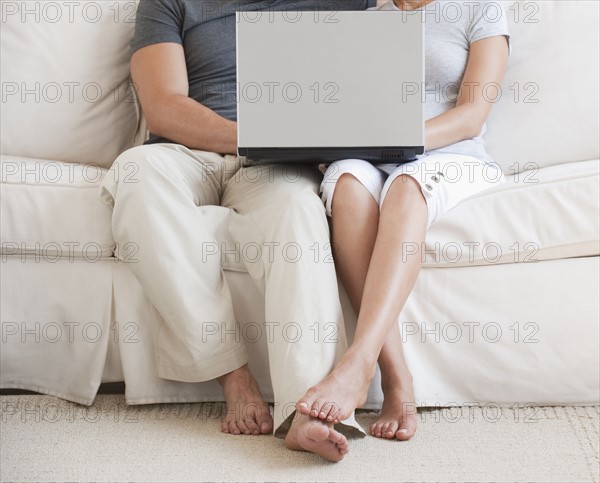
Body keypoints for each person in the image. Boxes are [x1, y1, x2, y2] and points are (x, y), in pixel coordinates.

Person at [98, 0, 376, 462]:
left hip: (279, 167)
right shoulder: (169, 3)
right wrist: (257, 135)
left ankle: (308, 408)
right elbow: (165, 107)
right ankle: (231, 374)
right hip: (187, 154)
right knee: (135, 174)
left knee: (298, 212)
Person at [296, 0, 510, 441]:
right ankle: (395, 374)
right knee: (349, 186)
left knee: (406, 187)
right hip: (375, 154)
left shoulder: (480, 8)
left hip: (451, 154)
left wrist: (402, 142)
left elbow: (473, 115)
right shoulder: (368, 18)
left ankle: (362, 364)